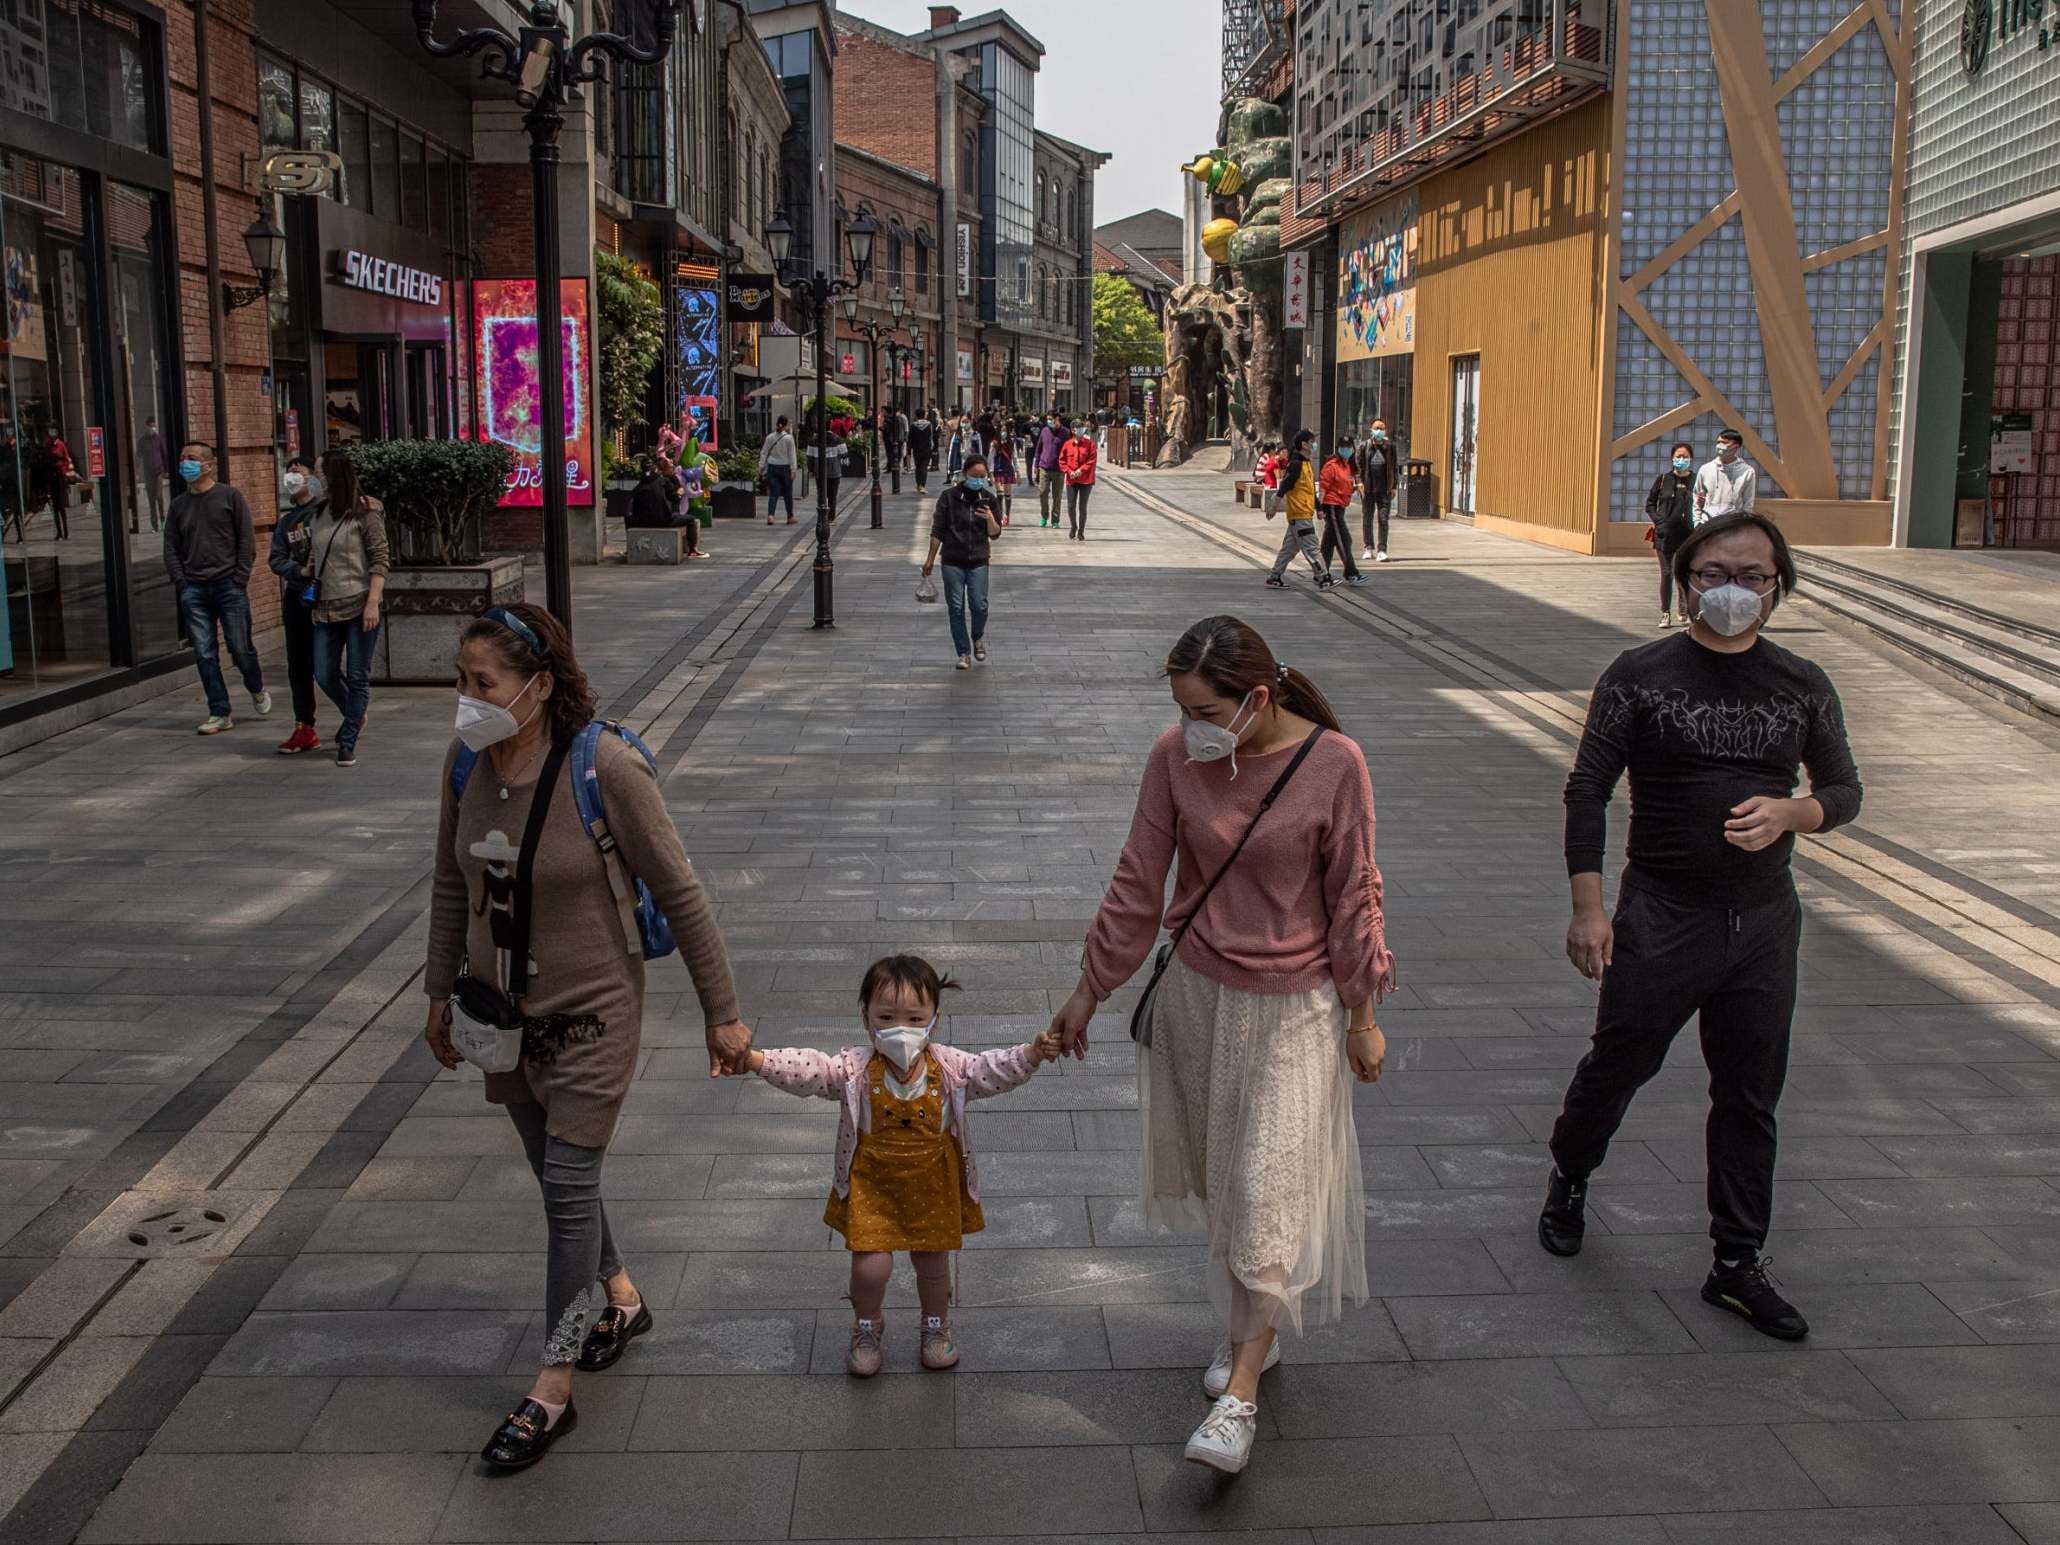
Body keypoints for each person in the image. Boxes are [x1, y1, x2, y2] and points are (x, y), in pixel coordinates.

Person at [1051, 615, 1394, 1474]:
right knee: (1229, 1186)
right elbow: (1139, 879)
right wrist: (1089, 990)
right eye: (1181, 708)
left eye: (1205, 709)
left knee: (1267, 1189)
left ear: (1258, 699)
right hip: (1198, 1002)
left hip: (1298, 1013)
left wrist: (1362, 1012)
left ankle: (1239, 1395)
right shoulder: (1175, 757)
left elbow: (1355, 894)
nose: (1189, 726)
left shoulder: (1334, 766)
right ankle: (1252, 1331)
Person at [424, 602, 752, 1470]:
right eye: (460, 680)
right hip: (502, 1018)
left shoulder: (602, 766)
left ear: (538, 686)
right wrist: (435, 994)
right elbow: (449, 888)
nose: (466, 699)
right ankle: (622, 1298)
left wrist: (722, 1011)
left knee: (567, 1184)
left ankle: (554, 1380)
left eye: (481, 683)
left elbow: (682, 894)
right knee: (556, 1175)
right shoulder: (465, 765)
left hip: (593, 1013)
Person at [1540, 511, 1862, 1344]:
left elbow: (1844, 790)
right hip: (1662, 913)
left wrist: (1798, 810)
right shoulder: (1640, 673)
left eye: (1754, 575)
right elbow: (1587, 788)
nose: (1734, 589)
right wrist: (1589, 907)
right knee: (1621, 1061)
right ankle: (1571, 1172)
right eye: (1715, 572)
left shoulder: (1801, 682)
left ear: (1778, 586)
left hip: (1763, 921)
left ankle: (1737, 1260)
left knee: (1750, 1094)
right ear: (1684, 580)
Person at [733, 954, 1061, 1376]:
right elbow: (809, 1070)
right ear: (866, 1018)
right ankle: (866, 1325)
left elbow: (991, 1069)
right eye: (886, 1016)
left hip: (933, 1182)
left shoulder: (950, 1067)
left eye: (913, 1017)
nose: (899, 1029)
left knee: (932, 1263)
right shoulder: (852, 1068)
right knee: (871, 1267)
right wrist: (758, 1061)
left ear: (934, 1021)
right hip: (873, 1184)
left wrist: (1032, 1053)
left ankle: (936, 1326)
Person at [163, 441, 269, 735]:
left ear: (209, 465)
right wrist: (181, 582)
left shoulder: (230, 496)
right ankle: (219, 711)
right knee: (205, 653)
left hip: (229, 587)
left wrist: (240, 578)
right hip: (194, 589)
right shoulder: (178, 505)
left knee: (240, 648)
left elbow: (247, 541)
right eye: (183, 457)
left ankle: (256, 686)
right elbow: (170, 546)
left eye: (193, 458)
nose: (186, 462)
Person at [304, 451, 387, 768]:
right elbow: (315, 557)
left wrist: (372, 602)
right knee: (323, 673)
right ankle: (355, 712)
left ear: (333, 474)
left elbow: (380, 559)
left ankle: (348, 738)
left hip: (359, 603)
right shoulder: (319, 511)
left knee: (357, 675)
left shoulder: (366, 510)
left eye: (318, 471)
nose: (315, 477)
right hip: (325, 607)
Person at [921, 452, 1004, 670]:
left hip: (978, 560)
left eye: (982, 476)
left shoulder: (989, 499)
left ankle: (977, 637)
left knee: (979, 606)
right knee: (956, 608)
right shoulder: (948, 497)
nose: (978, 479)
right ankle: (963, 652)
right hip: (952, 560)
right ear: (965, 473)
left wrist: (990, 519)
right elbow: (938, 529)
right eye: (974, 475)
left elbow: (995, 534)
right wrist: (930, 559)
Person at [266, 457, 324, 756]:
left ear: (313, 479)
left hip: (329, 598)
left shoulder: (326, 513)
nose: (291, 477)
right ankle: (304, 725)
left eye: (298, 472)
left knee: (326, 667)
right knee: (299, 666)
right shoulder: (287, 521)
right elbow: (275, 559)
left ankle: (353, 716)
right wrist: (300, 572)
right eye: (289, 472)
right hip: (297, 597)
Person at [1265, 430, 1331, 591]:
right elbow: (1284, 487)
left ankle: (1275, 576)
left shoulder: (1306, 463)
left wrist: (1319, 508)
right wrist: (1273, 507)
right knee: (1312, 548)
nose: (1314, 444)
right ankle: (1323, 577)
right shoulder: (1296, 464)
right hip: (1300, 515)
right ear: (1304, 444)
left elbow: (1308, 490)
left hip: (1302, 514)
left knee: (1289, 549)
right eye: (1311, 441)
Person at [1646, 441, 1697, 627]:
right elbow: (1650, 503)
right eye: (1678, 456)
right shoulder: (1663, 480)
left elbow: (1704, 502)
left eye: (1685, 457)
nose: (1681, 460)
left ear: (1691, 459)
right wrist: (1659, 521)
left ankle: (1683, 608)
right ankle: (1665, 612)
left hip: (1688, 535)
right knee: (1667, 573)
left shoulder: (1696, 480)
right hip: (1665, 534)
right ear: (1672, 458)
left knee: (1683, 572)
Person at [1317, 438, 1363, 585]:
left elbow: (1345, 485)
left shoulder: (1348, 466)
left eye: (1349, 447)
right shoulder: (1331, 466)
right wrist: (1320, 507)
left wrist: (1357, 488)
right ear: (1338, 448)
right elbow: (1323, 488)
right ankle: (1351, 572)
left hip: (1341, 506)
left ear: (1353, 449)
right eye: (1343, 447)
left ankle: (1321, 573)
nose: (1346, 449)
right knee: (1344, 539)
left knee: (1328, 543)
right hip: (1331, 506)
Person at [1693, 427, 1756, 523]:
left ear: (1736, 446)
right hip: (1707, 523)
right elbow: (1696, 499)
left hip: (1732, 525)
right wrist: (1697, 523)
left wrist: (1743, 526)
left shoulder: (1747, 472)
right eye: (1718, 442)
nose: (1719, 446)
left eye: (1724, 443)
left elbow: (1748, 503)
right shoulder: (1705, 469)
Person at [1356, 419, 1397, 562]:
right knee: (1367, 519)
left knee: (1383, 519)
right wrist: (1359, 483)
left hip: (1384, 489)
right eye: (1376, 428)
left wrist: (1394, 487)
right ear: (1371, 430)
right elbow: (1358, 467)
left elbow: (1394, 467)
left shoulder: (1390, 447)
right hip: (1367, 489)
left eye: (1381, 428)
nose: (1379, 431)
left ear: (1385, 431)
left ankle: (1382, 550)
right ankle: (1368, 547)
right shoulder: (1364, 446)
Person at [1059, 419, 1097, 541]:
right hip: (1072, 480)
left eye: (1081, 427)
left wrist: (1081, 470)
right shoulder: (1067, 444)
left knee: (1082, 506)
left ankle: (1081, 531)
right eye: (1077, 427)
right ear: (1073, 430)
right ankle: (1073, 526)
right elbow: (1062, 460)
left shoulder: (1090, 444)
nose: (1080, 430)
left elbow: (1092, 460)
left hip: (1086, 480)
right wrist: (1070, 472)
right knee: (1070, 506)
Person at [759, 415, 797, 524]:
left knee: (773, 493)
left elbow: (764, 452)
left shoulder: (770, 437)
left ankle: (771, 516)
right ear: (786, 425)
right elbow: (792, 455)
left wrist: (761, 467)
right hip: (785, 468)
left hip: (772, 467)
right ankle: (790, 517)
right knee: (787, 493)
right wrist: (793, 470)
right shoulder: (789, 438)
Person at [137, 414, 170, 533]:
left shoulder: (159, 439)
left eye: (154, 426)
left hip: (158, 472)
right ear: (147, 426)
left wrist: (166, 470)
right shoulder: (142, 441)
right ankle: (154, 525)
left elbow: (164, 455)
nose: (153, 428)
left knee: (159, 497)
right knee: (151, 499)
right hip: (148, 473)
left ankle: (163, 521)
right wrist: (137, 473)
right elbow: (138, 457)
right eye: (151, 426)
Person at [1035, 414, 1067, 527]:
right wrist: (1036, 465)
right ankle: (1044, 515)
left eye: (1051, 419)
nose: (1049, 421)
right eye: (1048, 419)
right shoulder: (1044, 430)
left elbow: (1069, 450)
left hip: (1059, 469)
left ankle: (1055, 520)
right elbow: (1039, 448)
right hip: (1044, 467)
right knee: (1043, 492)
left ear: (1057, 419)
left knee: (1057, 496)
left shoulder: (1065, 432)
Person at [989, 434, 1018, 525]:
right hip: (998, 470)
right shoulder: (994, 444)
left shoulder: (1011, 443)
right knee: (1000, 494)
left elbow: (1015, 457)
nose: (1003, 432)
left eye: (1005, 430)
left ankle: (1007, 516)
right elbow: (991, 459)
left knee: (1008, 495)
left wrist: (1018, 471)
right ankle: (999, 516)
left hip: (1008, 470)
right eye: (1001, 430)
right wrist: (991, 473)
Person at [908, 408, 937, 494]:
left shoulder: (913, 425)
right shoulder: (929, 425)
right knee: (924, 467)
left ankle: (918, 484)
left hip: (916, 449)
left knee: (918, 467)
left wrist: (909, 450)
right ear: (924, 415)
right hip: (926, 449)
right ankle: (922, 485)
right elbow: (931, 437)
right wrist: (933, 448)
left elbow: (910, 439)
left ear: (916, 415)